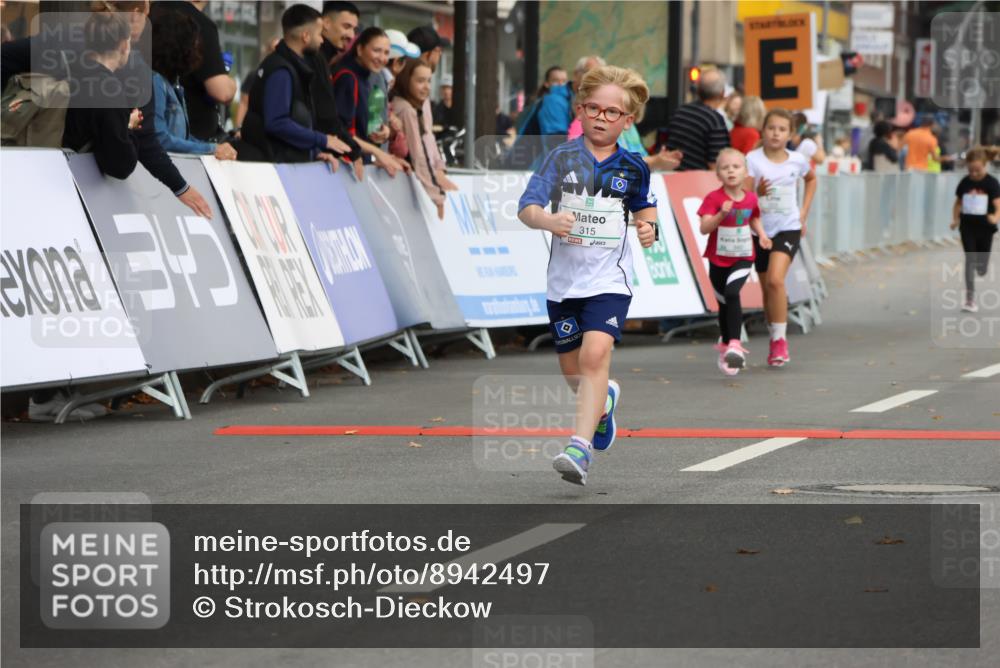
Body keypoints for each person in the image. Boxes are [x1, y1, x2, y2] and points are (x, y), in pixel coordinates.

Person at [517, 65, 658, 486]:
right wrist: (547, 220)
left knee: (595, 356)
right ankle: (604, 400)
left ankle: (578, 449)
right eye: (593, 108)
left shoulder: (634, 166)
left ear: (627, 121)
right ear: (580, 110)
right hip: (564, 284)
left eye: (612, 112)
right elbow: (527, 207)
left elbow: (644, 208)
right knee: (575, 373)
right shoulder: (560, 158)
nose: (601, 117)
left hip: (609, 282)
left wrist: (649, 228)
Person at [745, 108, 817, 367]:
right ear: (763, 131)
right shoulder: (752, 159)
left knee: (776, 280)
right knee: (767, 289)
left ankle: (780, 342)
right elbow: (744, 195)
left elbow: (811, 180)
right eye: (771, 128)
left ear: (790, 134)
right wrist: (757, 191)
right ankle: (774, 333)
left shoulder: (796, 160)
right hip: (760, 229)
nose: (776, 133)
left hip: (788, 227)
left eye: (782, 129)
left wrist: (804, 213)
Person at [241, 4, 354, 168]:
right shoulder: (281, 69)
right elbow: (277, 123)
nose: (322, 40)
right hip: (270, 166)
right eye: (319, 34)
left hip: (278, 161)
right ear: (306, 36)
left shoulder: (290, 66)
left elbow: (295, 118)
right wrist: (323, 140)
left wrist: (314, 151)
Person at [697, 148, 770, 375]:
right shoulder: (713, 198)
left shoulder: (750, 198)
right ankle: (726, 346)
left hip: (743, 256)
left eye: (736, 167)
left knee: (732, 293)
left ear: (745, 172)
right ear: (718, 174)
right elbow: (703, 228)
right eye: (725, 168)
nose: (731, 171)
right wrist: (720, 214)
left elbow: (754, 216)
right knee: (723, 303)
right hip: (718, 259)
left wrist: (763, 235)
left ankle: (736, 345)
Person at [149, 5, 236, 159]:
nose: (198, 54)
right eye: (194, 46)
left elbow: (184, 139)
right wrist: (211, 148)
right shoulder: (155, 82)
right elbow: (161, 139)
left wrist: (213, 147)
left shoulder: (173, 85)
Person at [62, 12, 138, 181]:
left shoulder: (69, 70)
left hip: (46, 168)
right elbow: (120, 166)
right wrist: (128, 126)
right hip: (77, 183)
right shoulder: (109, 90)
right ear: (124, 45)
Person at [331, 27, 408, 175]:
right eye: (377, 50)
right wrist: (378, 154)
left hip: (362, 164)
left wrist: (384, 132)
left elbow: (366, 125)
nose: (382, 58)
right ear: (359, 49)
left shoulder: (371, 77)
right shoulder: (347, 77)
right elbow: (341, 132)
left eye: (386, 52)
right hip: (345, 167)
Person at [390, 59, 458, 219]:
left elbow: (428, 138)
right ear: (407, 80)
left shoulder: (413, 105)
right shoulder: (407, 110)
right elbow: (418, 154)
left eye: (429, 81)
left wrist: (439, 167)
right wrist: (437, 196)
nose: (426, 87)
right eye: (420, 81)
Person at [950, 147, 1000, 312]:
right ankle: (970, 299)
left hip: (985, 228)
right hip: (968, 227)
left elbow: (998, 205)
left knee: (981, 267)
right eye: (971, 170)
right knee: (970, 260)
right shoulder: (965, 182)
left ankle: (982, 266)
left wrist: (995, 217)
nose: (974, 174)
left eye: (977, 171)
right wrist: (955, 219)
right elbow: (958, 203)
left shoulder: (991, 183)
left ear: (985, 166)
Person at [664, 68, 730, 171]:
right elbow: (715, 165)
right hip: (698, 182)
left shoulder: (680, 111)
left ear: (698, 91)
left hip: (671, 177)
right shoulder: (715, 120)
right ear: (722, 93)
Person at [319, 1, 359, 67]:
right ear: (326, 23)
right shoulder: (311, 57)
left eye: (354, 29)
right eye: (346, 26)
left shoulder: (334, 59)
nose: (352, 36)